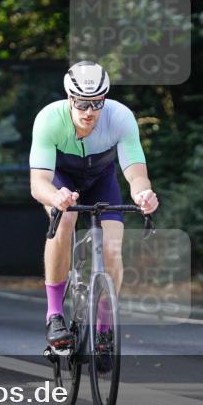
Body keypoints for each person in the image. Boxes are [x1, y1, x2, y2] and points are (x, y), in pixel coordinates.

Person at [29, 61, 158, 349]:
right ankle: (55, 314)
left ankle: (103, 325)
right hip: (62, 178)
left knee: (113, 245)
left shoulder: (120, 117)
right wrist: (56, 198)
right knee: (63, 222)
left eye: (97, 103)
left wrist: (143, 194)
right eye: (83, 103)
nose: (90, 112)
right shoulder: (49, 119)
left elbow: (136, 174)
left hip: (101, 178)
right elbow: (38, 183)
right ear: (70, 98)